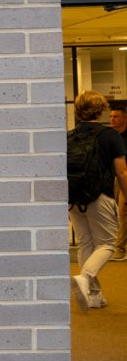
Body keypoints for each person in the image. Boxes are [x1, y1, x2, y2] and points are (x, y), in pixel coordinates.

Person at [69, 90, 127, 311]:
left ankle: (94, 294)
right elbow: (121, 172)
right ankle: (86, 278)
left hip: (74, 199)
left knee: (86, 243)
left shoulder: (69, 136)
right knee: (107, 244)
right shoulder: (110, 135)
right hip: (100, 195)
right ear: (101, 109)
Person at [110, 102, 127, 262]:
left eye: (116, 116)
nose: (112, 119)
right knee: (115, 212)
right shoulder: (111, 136)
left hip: (125, 175)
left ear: (124, 118)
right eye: (111, 116)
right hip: (114, 176)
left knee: (123, 212)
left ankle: (120, 249)